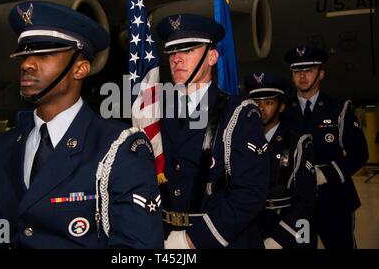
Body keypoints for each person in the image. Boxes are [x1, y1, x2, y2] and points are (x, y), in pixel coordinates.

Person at [0, 1, 163, 248]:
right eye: (25, 54)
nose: (27, 64)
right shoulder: (3, 148)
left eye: (44, 54)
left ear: (80, 69)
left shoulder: (121, 149)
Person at [157, 13, 269, 249]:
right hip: (166, 236)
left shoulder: (239, 114)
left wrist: (192, 240)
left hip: (220, 239)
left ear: (212, 57)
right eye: (172, 51)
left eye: (187, 50)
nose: (177, 58)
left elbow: (250, 193)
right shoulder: (157, 112)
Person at [283, 45, 369, 248]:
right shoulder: (283, 111)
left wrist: (325, 174)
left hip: (335, 200)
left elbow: (359, 153)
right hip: (296, 205)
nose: (302, 76)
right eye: (297, 71)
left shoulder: (339, 108)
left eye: (309, 70)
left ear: (321, 74)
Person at [244, 72, 317, 249]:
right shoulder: (240, 142)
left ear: (282, 107)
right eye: (256, 102)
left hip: (286, 230)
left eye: (268, 102)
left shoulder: (297, 142)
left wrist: (278, 240)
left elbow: (306, 200)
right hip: (250, 230)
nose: (261, 108)